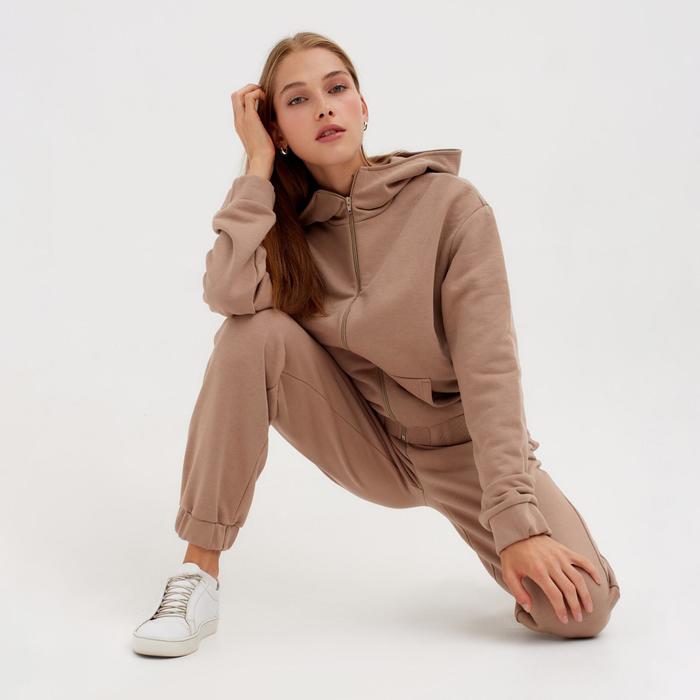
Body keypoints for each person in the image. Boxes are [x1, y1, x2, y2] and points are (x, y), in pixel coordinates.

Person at [132, 32, 620, 657]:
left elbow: (490, 367)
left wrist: (517, 520)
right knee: (250, 333)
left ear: (363, 107)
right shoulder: (284, 234)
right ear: (278, 130)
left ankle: (534, 538)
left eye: (336, 89)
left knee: (580, 611)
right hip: (368, 443)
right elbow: (229, 293)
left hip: (465, 450)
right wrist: (255, 166)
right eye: (298, 100)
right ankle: (197, 575)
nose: (324, 107)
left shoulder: (450, 205)